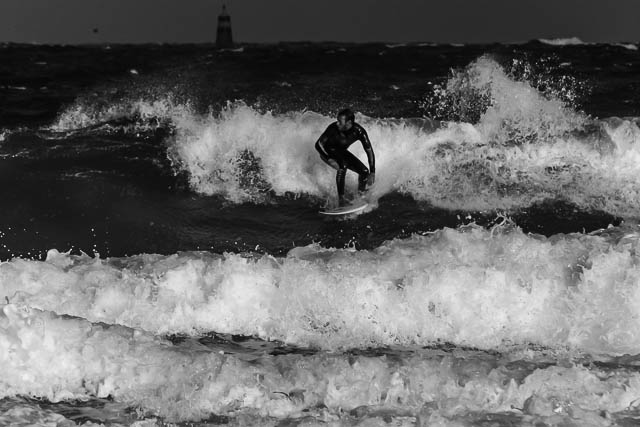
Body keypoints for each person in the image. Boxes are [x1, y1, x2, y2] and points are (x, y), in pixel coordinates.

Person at [315, 109, 375, 206]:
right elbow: (318, 144)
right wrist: (328, 158)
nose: (337, 123)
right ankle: (341, 200)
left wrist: (372, 171)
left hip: (341, 152)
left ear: (349, 122)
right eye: (337, 120)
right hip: (327, 152)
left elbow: (369, 151)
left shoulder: (359, 131)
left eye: (340, 121)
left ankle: (360, 195)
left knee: (364, 172)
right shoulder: (333, 128)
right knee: (342, 166)